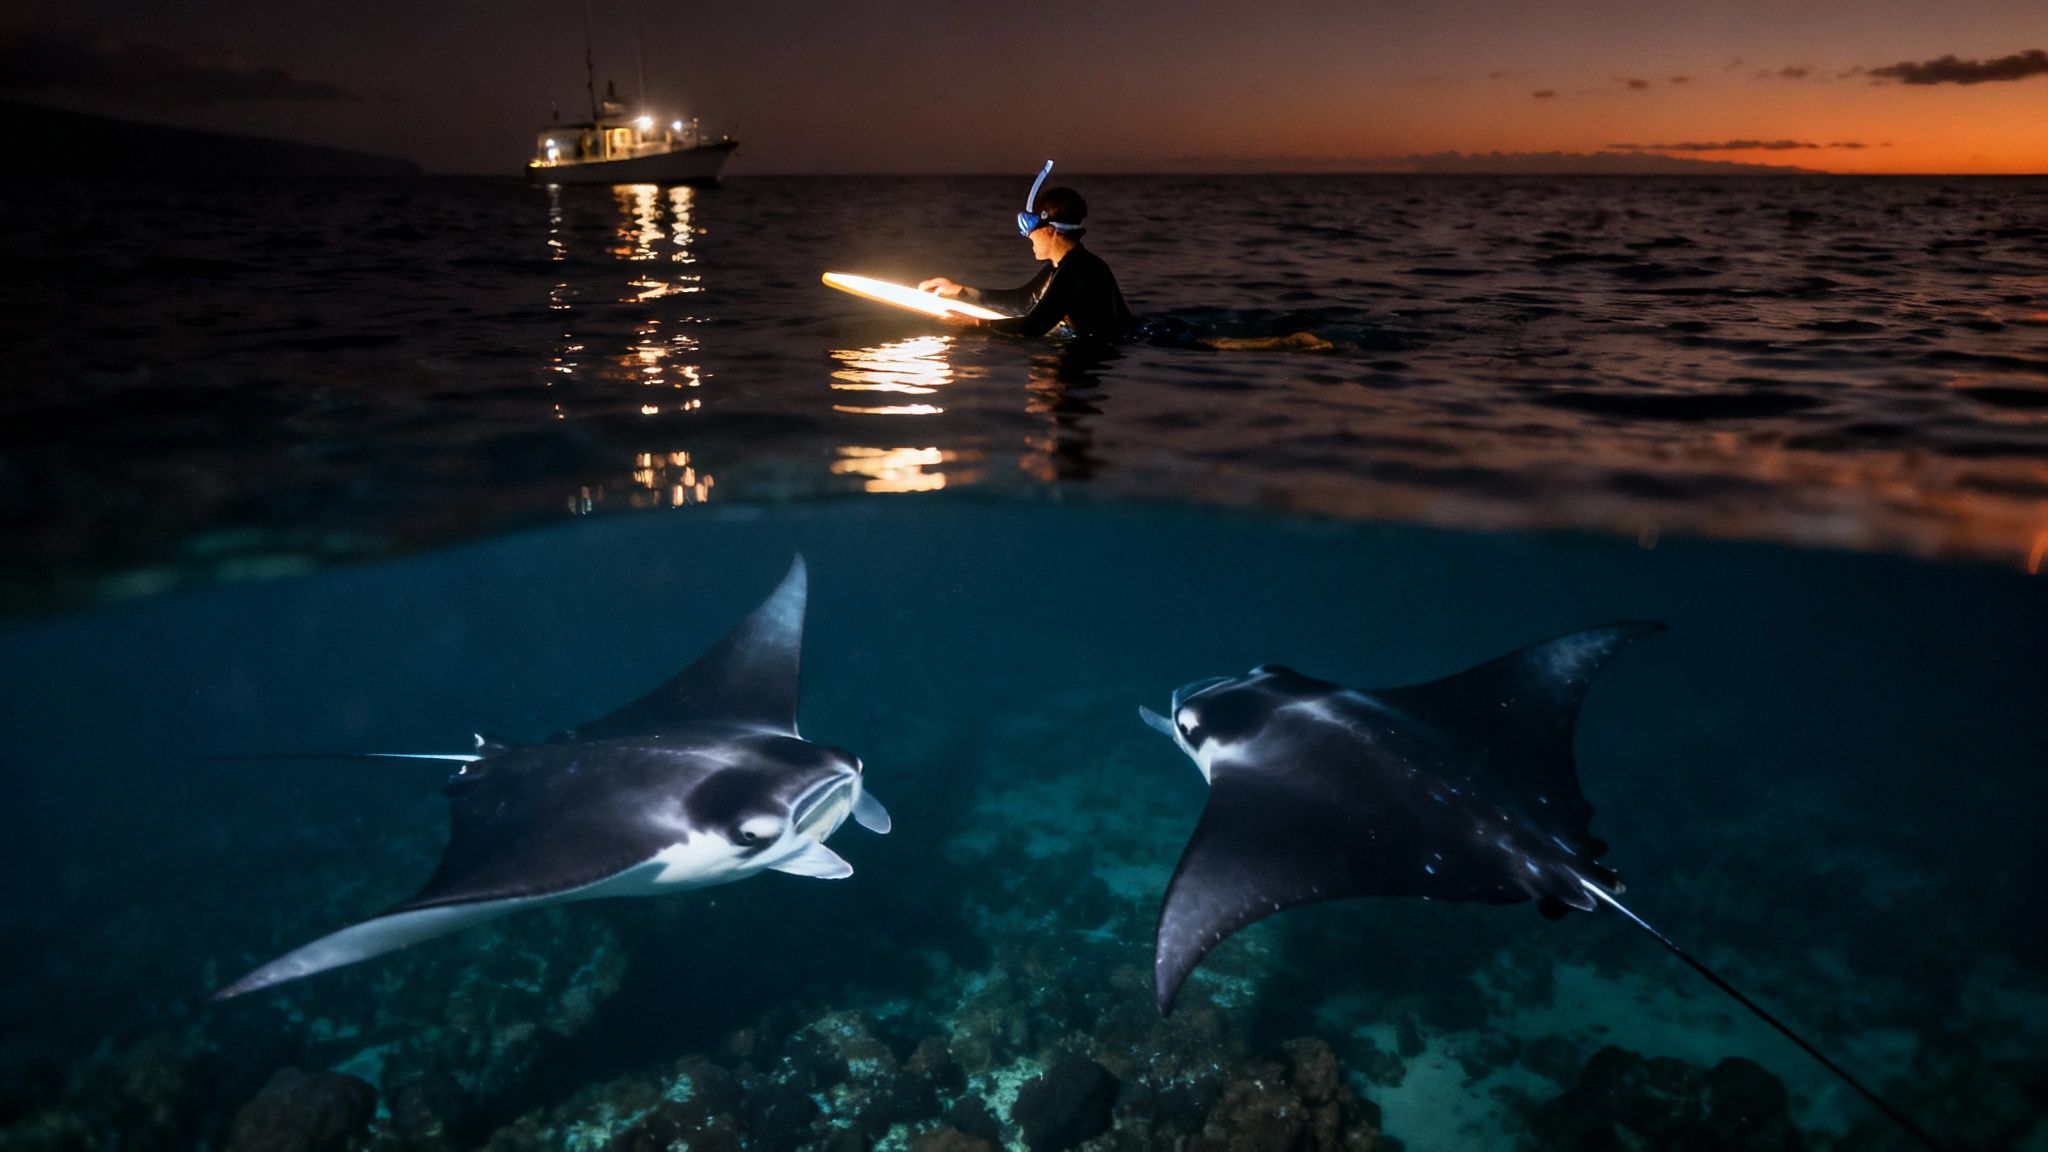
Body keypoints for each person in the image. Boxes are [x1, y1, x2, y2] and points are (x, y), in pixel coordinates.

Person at [919, 161, 1134, 340]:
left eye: (1029, 229)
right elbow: (1022, 301)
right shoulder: (1063, 267)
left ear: (1050, 230)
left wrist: (975, 324)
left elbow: (1033, 327)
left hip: (1104, 353)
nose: (1028, 236)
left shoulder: (1078, 271)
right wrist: (961, 290)